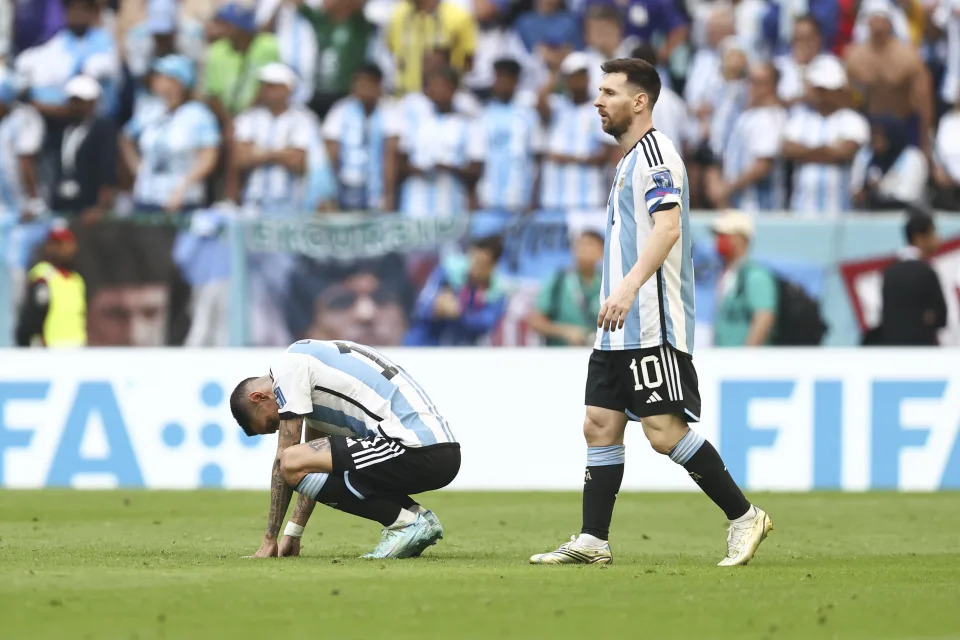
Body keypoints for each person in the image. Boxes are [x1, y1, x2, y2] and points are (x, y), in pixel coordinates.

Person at [529, 58, 771, 567]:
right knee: (599, 423)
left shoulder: (658, 156)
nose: (598, 101)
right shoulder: (629, 159)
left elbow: (667, 229)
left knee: (663, 431)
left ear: (639, 102)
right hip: (619, 325)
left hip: (649, 320)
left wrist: (626, 288)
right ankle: (593, 540)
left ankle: (744, 515)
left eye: (609, 92)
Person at [230, 339, 460, 559]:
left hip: (414, 447)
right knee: (303, 461)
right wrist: (293, 531)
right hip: (438, 451)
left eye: (273, 422)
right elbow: (311, 465)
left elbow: (286, 462)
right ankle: (418, 517)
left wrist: (270, 539)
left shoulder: (288, 369)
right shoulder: (310, 368)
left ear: (258, 397)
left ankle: (404, 523)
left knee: (289, 460)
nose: (280, 424)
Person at [120, 55, 221, 214]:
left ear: (178, 82)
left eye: (161, 76)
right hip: (146, 197)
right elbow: (125, 138)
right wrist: (139, 170)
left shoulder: (198, 114)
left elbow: (209, 156)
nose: (155, 80)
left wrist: (185, 186)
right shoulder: (149, 110)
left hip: (183, 200)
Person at [782, 55, 869, 215]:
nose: (823, 95)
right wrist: (828, 150)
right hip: (802, 209)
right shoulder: (798, 119)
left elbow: (845, 152)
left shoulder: (853, 120)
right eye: (819, 89)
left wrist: (806, 153)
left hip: (840, 210)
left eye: (827, 90)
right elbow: (788, 150)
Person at [844, 0, 933, 156]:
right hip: (870, 126)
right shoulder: (854, 57)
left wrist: (924, 144)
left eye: (882, 20)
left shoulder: (908, 57)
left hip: (902, 124)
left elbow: (923, 102)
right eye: (874, 19)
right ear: (867, 23)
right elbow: (845, 99)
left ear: (891, 23)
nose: (878, 26)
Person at [231, 63, 321, 215]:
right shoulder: (248, 118)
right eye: (264, 85)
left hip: (290, 203)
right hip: (253, 201)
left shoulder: (303, 119)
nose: (265, 90)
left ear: (286, 89)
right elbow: (240, 158)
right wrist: (283, 153)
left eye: (272, 86)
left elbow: (298, 161)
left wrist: (260, 153)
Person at [538, 52, 619, 212]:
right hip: (554, 201)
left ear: (588, 78)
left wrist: (568, 158)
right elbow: (540, 102)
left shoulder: (600, 110)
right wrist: (555, 75)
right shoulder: (558, 106)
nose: (577, 81)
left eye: (581, 76)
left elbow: (605, 156)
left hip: (588, 201)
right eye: (572, 77)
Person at [397, 67, 481, 218]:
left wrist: (449, 169)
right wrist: (420, 169)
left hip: (451, 210)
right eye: (433, 86)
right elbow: (400, 163)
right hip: (415, 210)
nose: (438, 91)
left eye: (443, 86)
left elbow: (476, 169)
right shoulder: (415, 123)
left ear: (454, 89)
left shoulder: (467, 125)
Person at [706, 61, 787, 211]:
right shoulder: (747, 115)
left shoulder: (771, 118)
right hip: (739, 205)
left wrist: (726, 189)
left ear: (773, 86)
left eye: (759, 82)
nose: (752, 87)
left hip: (761, 208)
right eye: (750, 81)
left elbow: (763, 166)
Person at [468, 58, 542, 213]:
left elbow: (538, 161)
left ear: (515, 81)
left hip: (521, 202)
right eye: (497, 77)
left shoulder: (529, 115)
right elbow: (477, 162)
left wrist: (535, 200)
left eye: (505, 78)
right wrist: (473, 199)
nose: (500, 83)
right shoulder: (484, 115)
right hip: (488, 201)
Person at [322, 63, 399, 212]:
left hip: (375, 191)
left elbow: (390, 157)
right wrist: (329, 194)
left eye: (366, 84)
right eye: (358, 83)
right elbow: (331, 155)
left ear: (378, 85)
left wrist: (389, 196)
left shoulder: (390, 112)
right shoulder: (340, 111)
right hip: (346, 187)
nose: (361, 88)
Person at [405, 235, 507, 346]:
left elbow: (487, 323)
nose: (475, 268)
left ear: (493, 266)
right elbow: (421, 306)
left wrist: (460, 312)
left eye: (482, 264)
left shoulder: (497, 292)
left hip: (463, 350)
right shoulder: (448, 271)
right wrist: (436, 306)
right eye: (474, 260)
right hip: (426, 343)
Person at [51, 75, 117, 222]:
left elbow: (107, 167)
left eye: (80, 101)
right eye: (73, 100)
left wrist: (100, 207)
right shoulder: (64, 128)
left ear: (92, 102)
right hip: (63, 203)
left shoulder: (103, 128)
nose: (76, 106)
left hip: (89, 204)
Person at [876, 212, 947, 345]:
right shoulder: (927, 273)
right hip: (922, 351)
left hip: (893, 351)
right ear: (919, 238)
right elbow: (941, 317)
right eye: (933, 233)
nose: (938, 239)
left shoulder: (889, 272)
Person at [710, 210, 779, 347]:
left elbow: (763, 317)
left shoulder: (755, 276)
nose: (719, 240)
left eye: (724, 235)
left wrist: (746, 358)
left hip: (744, 365)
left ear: (742, 238)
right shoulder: (728, 273)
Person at [296, 0, 376, 117]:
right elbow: (299, 5)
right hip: (319, 92)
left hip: (347, 93)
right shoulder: (321, 22)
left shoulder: (359, 24)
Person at [527, 229, 604, 347]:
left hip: (598, 353)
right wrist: (565, 332)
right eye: (581, 245)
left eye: (590, 246)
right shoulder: (559, 280)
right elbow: (536, 321)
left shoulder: (607, 282)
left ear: (602, 252)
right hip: (562, 356)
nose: (584, 250)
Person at [203, 3, 279, 119]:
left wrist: (245, 119)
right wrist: (229, 122)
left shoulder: (268, 46)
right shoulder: (217, 50)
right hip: (226, 118)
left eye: (226, 24)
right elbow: (213, 93)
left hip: (260, 114)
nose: (219, 29)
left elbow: (270, 85)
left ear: (240, 27)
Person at [386, 0, 477, 95]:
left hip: (444, 101)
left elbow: (468, 61)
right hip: (403, 97)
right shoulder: (397, 14)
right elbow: (393, 50)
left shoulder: (458, 16)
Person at [16, 225, 86, 347]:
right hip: (50, 349)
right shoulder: (43, 277)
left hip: (76, 346)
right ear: (50, 246)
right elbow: (32, 316)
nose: (65, 248)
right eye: (60, 244)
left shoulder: (76, 280)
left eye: (68, 244)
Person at [850, 116, 928, 210]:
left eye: (879, 136)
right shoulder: (866, 156)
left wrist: (880, 187)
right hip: (870, 215)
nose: (875, 140)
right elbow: (855, 187)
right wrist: (862, 192)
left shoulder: (912, 157)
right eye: (873, 135)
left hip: (904, 213)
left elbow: (909, 194)